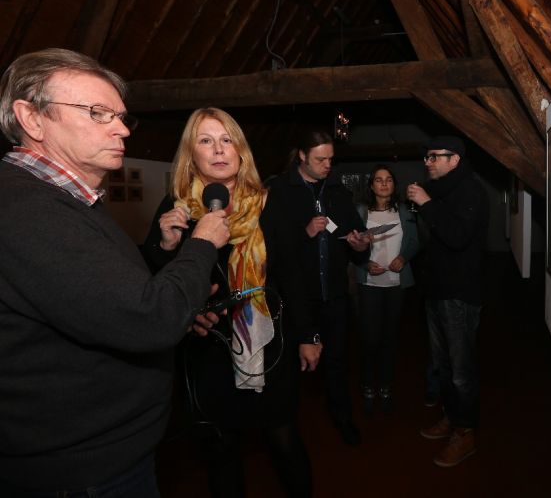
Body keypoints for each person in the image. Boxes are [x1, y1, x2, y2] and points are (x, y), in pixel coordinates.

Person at [0, 48, 229, 496]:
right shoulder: (27, 209)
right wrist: (202, 243)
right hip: (81, 473)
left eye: (121, 117)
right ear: (32, 118)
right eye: (97, 113)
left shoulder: (67, 201)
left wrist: (182, 309)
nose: (122, 129)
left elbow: (110, 299)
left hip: (105, 457)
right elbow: (148, 316)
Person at [142, 108, 318, 498]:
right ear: (191, 154)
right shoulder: (177, 207)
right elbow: (157, 286)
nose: (219, 149)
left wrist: (309, 335)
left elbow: (294, 276)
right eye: (206, 141)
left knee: (283, 438)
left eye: (227, 140)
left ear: (241, 151)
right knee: (220, 448)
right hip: (209, 349)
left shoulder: (271, 202)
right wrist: (167, 247)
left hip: (270, 342)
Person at [266, 130, 370, 446]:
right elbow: (269, 250)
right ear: (301, 156)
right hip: (296, 299)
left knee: (337, 363)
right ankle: (288, 432)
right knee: (291, 367)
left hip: (334, 296)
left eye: (330, 159)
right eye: (320, 159)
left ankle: (343, 419)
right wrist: (305, 233)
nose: (328, 165)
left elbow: (357, 238)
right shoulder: (279, 191)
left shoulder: (338, 190)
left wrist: (361, 244)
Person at [407, 135, 489, 468]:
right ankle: (451, 416)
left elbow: (457, 237)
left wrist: (426, 204)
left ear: (454, 159)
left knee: (460, 372)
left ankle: (465, 433)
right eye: (426, 157)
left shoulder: (470, 190)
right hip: (436, 291)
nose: (427, 162)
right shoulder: (441, 191)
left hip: (459, 295)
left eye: (434, 156)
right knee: (442, 365)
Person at [354, 164, 419, 415]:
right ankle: (367, 386)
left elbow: (414, 241)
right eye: (379, 180)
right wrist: (364, 263)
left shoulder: (404, 210)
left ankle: (385, 386)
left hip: (396, 285)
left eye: (388, 179)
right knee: (369, 338)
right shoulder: (361, 211)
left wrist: (403, 257)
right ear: (371, 186)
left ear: (394, 185)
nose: (383, 184)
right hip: (369, 285)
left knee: (390, 338)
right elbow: (351, 246)